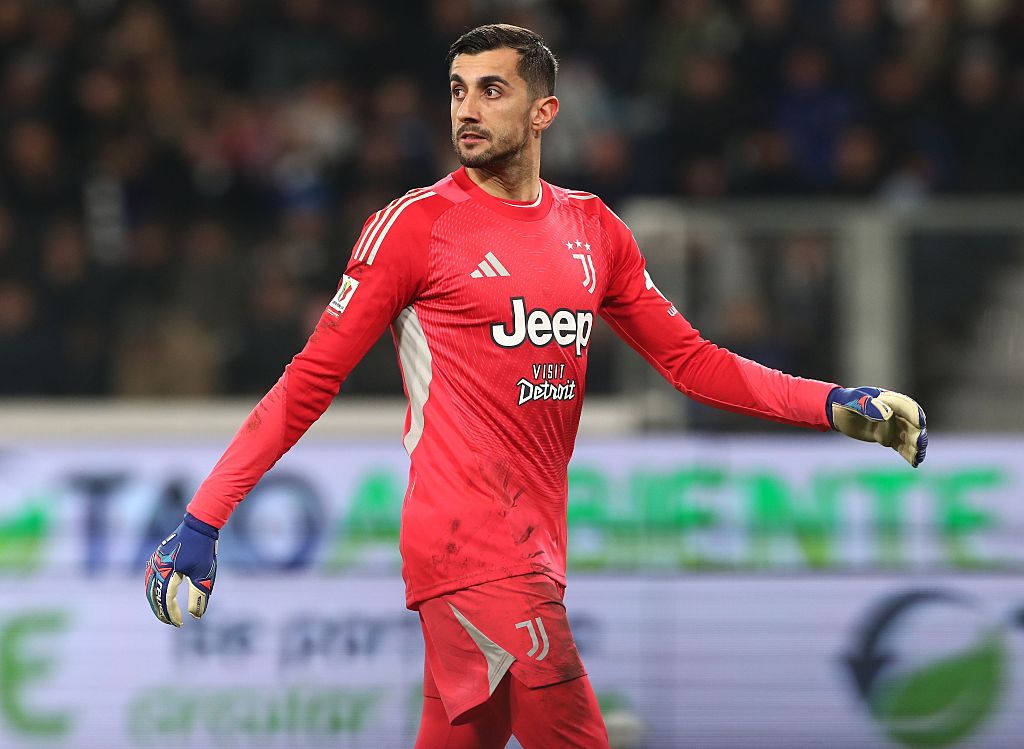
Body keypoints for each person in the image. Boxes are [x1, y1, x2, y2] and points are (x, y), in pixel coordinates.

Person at [145, 24, 928, 749]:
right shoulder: (414, 228)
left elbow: (693, 361)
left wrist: (827, 402)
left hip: (533, 549)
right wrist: (205, 517)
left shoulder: (594, 231)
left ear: (545, 110)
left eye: (492, 89)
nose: (467, 109)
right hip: (469, 547)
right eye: (456, 90)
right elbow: (309, 380)